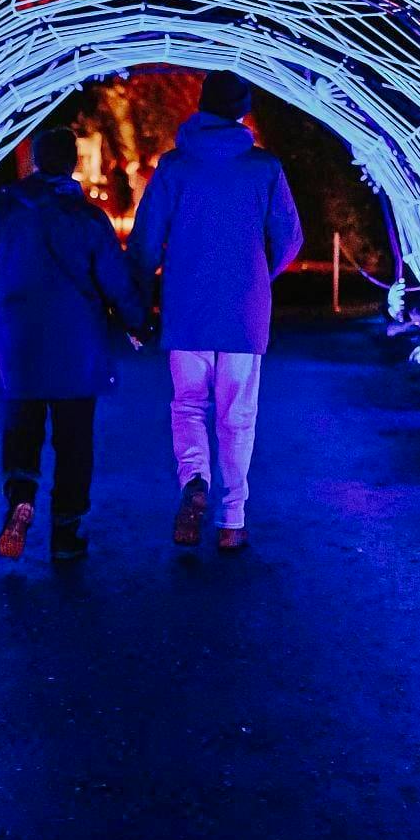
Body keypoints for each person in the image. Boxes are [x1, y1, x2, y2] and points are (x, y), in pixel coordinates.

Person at [0, 126, 145, 562]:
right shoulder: (87, 218)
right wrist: (136, 322)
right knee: (74, 443)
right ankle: (66, 533)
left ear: (34, 161)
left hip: (18, 344)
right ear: (70, 164)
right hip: (76, 347)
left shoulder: (2, 210)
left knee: (21, 430)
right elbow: (115, 280)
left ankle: (20, 497)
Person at [127, 72, 303, 552]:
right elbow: (290, 238)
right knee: (238, 414)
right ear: (243, 111)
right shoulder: (264, 168)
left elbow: (144, 244)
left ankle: (195, 480)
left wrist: (138, 305)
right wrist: (257, 274)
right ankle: (232, 522)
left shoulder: (174, 167)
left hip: (186, 309)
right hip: (245, 311)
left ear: (202, 107)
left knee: (188, 404)